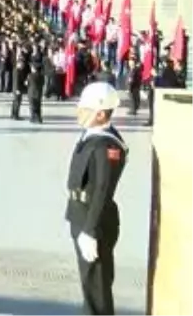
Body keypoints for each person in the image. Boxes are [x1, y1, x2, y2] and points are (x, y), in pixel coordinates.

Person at [65, 81, 127, 316]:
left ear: (100, 114)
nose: (79, 113)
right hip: (81, 215)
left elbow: (102, 188)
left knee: (97, 291)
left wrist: (90, 231)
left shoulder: (107, 145)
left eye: (85, 109)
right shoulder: (94, 134)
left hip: (95, 222)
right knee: (90, 285)